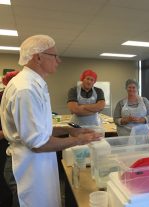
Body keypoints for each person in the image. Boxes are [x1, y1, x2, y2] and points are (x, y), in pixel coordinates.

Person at [0, 35, 102, 207]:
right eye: (54, 55)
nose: (59, 60)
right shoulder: (26, 89)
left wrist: (68, 130)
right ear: (38, 57)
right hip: (27, 167)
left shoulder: (34, 84)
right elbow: (38, 143)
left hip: (36, 163)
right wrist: (78, 140)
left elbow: (40, 130)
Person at [0, 71, 19, 207]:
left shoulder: (17, 98)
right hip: (3, 145)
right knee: (7, 184)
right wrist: (7, 133)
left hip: (11, 144)